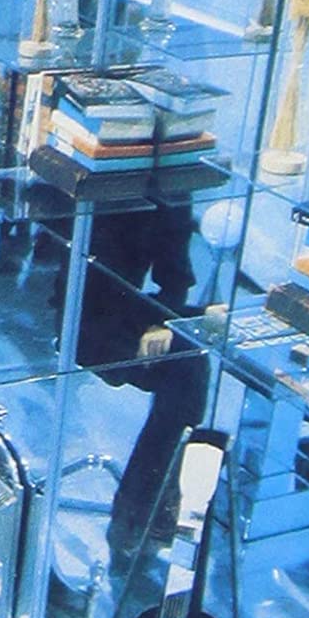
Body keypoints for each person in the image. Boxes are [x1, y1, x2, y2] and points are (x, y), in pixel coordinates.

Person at [66, 201, 210, 562]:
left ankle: (145, 505)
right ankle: (143, 508)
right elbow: (80, 279)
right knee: (189, 365)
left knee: (190, 361)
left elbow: (175, 276)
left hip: (125, 307)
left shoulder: (171, 190)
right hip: (79, 308)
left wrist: (164, 322)